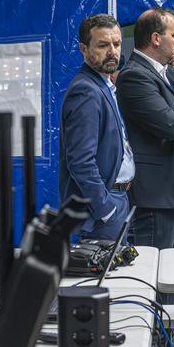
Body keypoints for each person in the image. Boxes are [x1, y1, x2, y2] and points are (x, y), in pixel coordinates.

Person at [117, 8, 174, 251]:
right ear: (156, 38)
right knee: (156, 276)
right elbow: (173, 126)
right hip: (157, 195)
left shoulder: (172, 72)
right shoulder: (134, 76)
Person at [58, 13, 134, 240]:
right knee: (106, 275)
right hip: (104, 208)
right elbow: (80, 162)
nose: (112, 51)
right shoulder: (86, 91)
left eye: (117, 43)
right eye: (103, 45)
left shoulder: (103, 86)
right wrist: (105, 208)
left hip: (118, 198)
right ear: (83, 49)